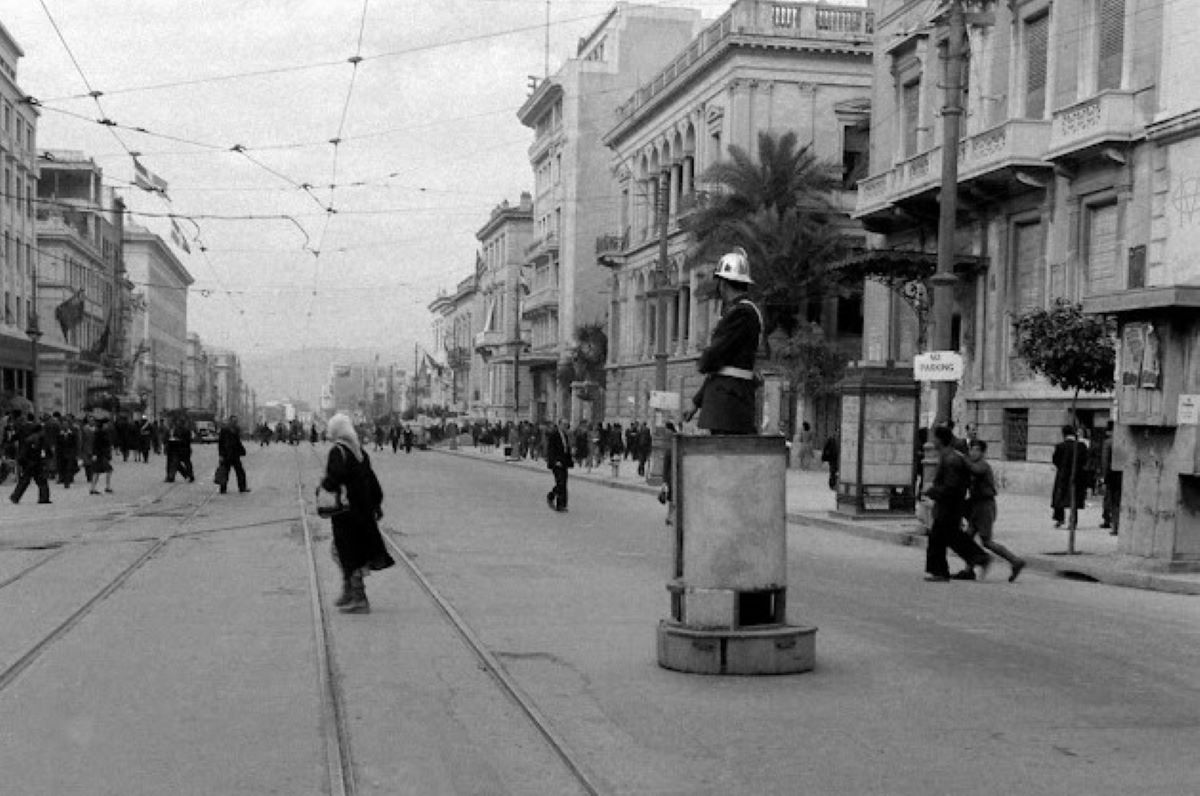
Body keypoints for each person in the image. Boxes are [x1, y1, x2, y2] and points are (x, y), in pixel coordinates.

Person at [684, 248, 763, 435]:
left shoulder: (742, 313)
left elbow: (716, 356)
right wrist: (696, 402)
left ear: (723, 284)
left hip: (729, 403)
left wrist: (703, 361)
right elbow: (721, 368)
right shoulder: (739, 312)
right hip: (726, 400)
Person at [321, 413, 394, 613]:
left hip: (347, 513)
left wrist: (323, 486)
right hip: (362, 511)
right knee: (344, 550)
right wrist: (376, 505)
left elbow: (334, 478)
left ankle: (359, 597)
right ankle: (349, 592)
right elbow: (372, 481)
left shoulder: (338, 451)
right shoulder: (359, 452)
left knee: (348, 552)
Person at [923, 426, 991, 582]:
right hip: (950, 505)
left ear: (940, 440)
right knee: (953, 537)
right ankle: (979, 558)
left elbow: (951, 486)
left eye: (934, 438)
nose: (932, 441)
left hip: (949, 505)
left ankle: (940, 572)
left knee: (938, 538)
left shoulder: (951, 459)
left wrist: (932, 491)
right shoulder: (949, 456)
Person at [965, 439, 1025, 582]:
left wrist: (962, 460)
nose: (973, 452)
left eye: (977, 450)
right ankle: (969, 569)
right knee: (967, 538)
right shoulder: (973, 464)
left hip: (985, 506)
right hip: (976, 505)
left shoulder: (983, 466)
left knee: (986, 541)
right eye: (971, 449)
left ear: (983, 452)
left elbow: (975, 470)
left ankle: (1015, 561)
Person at [1051, 424, 1090, 528]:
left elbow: (1055, 460)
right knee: (1074, 499)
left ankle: (1059, 519)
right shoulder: (1081, 446)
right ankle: (1073, 522)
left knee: (1059, 497)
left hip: (1063, 475)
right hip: (1077, 476)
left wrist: (1062, 467)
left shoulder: (1060, 446)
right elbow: (1085, 461)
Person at [10, 422, 51, 505]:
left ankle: (15, 496)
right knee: (41, 481)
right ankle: (44, 498)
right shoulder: (39, 439)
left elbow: (23, 453)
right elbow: (45, 451)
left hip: (29, 463)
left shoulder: (29, 439)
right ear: (39, 431)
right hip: (35, 463)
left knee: (25, 481)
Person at [545, 417, 573, 512]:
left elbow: (566, 449)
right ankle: (558, 503)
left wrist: (570, 460)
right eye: (564, 425)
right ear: (559, 425)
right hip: (557, 463)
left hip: (564, 462)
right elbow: (551, 450)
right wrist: (554, 461)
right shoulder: (554, 435)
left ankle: (562, 503)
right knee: (560, 483)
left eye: (567, 425)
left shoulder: (565, 435)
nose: (566, 426)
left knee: (564, 483)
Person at [217, 415, 250, 494]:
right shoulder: (224, 430)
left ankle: (242, 487)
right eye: (233, 421)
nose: (235, 422)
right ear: (230, 421)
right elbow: (220, 443)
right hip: (226, 454)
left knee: (240, 472)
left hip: (235, 454)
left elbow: (237, 442)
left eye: (236, 421)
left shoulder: (236, 429)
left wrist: (242, 450)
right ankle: (223, 489)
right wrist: (221, 454)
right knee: (224, 471)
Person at [1100, 421, 1121, 536]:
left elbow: (1105, 461)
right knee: (1119, 501)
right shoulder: (1124, 441)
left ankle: (1115, 526)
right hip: (1123, 475)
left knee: (1113, 502)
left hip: (1112, 476)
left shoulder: (1108, 443)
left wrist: (1104, 477)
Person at [90, 417, 114, 494]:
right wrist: (94, 454)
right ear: (103, 425)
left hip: (100, 454)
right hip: (101, 455)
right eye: (106, 424)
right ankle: (106, 487)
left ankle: (93, 488)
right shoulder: (100, 433)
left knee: (97, 471)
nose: (107, 425)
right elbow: (95, 444)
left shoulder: (100, 432)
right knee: (107, 470)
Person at [56, 414, 81, 489]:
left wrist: (76, 453)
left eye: (66, 424)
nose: (65, 426)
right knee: (63, 468)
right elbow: (58, 445)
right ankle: (64, 479)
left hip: (70, 454)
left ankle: (67, 482)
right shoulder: (59, 434)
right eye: (63, 424)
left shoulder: (72, 434)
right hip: (62, 454)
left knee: (69, 468)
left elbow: (75, 444)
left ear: (68, 425)